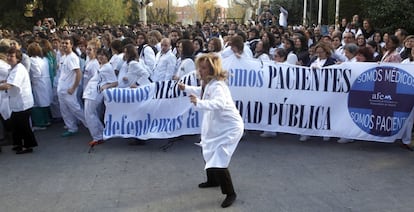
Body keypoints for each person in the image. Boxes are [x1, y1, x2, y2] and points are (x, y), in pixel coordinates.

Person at [178, 53, 243, 208]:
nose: (200, 71)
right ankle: (212, 181)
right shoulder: (208, 83)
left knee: (219, 159)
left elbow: (219, 103)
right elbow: (200, 91)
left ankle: (230, 193)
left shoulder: (219, 86)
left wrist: (198, 103)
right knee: (208, 150)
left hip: (229, 128)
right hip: (218, 126)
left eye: (204, 68)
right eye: (199, 68)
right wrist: (186, 88)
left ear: (212, 69)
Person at [0, 48, 37, 154]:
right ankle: (18, 144)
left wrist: (3, 84)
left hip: (22, 103)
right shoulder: (13, 68)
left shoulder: (18, 70)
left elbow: (9, 85)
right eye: (8, 56)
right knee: (15, 125)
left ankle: (28, 146)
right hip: (16, 102)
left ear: (18, 58)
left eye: (12, 56)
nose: (9, 58)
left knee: (23, 126)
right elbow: (9, 80)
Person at [84, 48, 118, 146]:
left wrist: (105, 86)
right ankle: (101, 133)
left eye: (103, 55)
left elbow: (115, 82)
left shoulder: (108, 67)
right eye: (99, 55)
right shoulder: (101, 65)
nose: (101, 57)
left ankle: (97, 137)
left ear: (107, 56)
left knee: (89, 115)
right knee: (91, 114)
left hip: (95, 93)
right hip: (91, 92)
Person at [58, 36, 86, 137]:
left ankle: (89, 125)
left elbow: (78, 73)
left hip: (69, 89)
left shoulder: (72, 57)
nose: (64, 45)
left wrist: (73, 87)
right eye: (63, 43)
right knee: (64, 110)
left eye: (66, 43)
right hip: (61, 88)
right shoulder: (63, 57)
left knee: (76, 109)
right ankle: (72, 128)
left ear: (71, 45)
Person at [27, 42, 52, 130]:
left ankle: (41, 123)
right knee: (45, 102)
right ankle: (47, 120)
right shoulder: (44, 59)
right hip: (46, 81)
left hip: (38, 82)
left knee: (38, 103)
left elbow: (37, 73)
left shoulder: (32, 60)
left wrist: (31, 81)